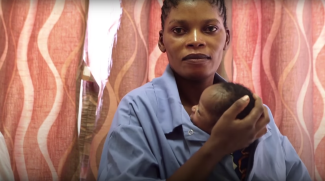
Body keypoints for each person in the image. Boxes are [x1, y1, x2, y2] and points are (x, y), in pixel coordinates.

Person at [98, 0, 311, 180]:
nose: (196, 41)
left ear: (226, 38)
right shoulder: (136, 111)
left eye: (209, 29)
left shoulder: (259, 115)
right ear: (162, 41)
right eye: (179, 30)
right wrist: (216, 147)